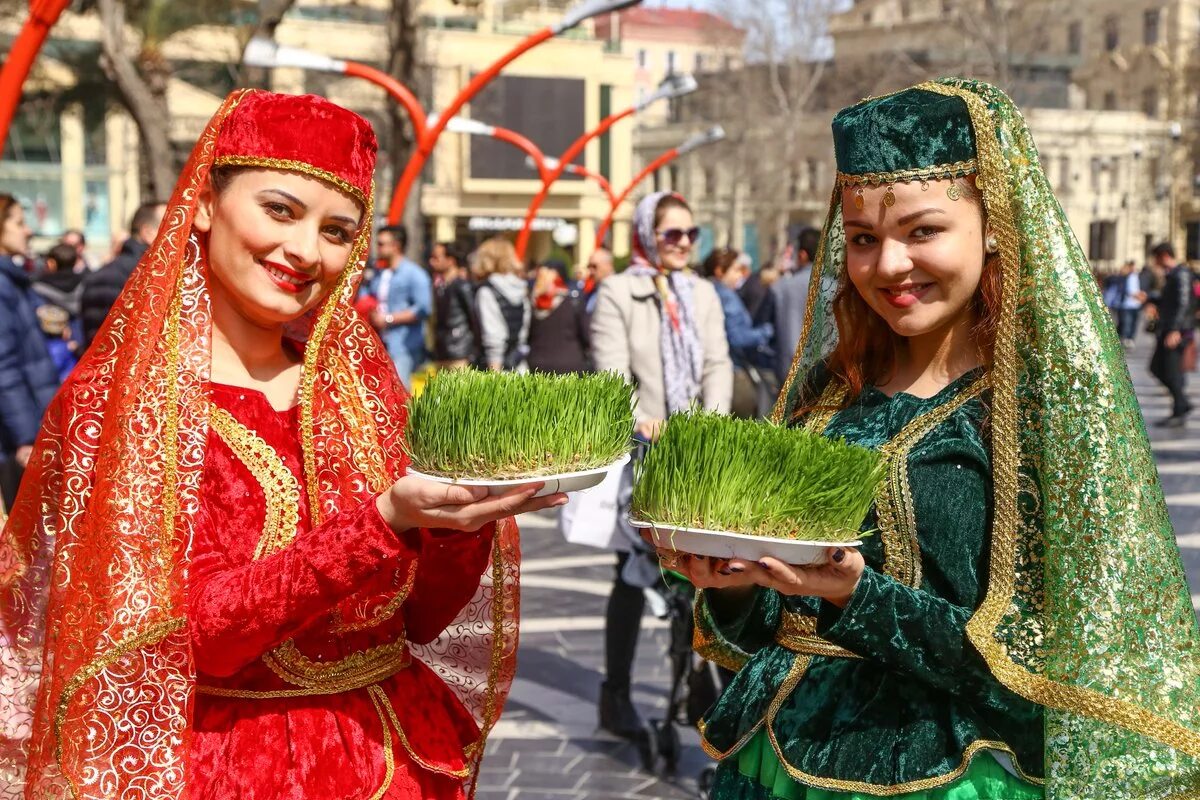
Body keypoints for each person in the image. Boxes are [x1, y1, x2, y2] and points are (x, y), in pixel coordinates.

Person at [0, 91, 566, 799]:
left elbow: (421, 620)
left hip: (393, 756)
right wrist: (383, 521)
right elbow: (200, 635)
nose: (305, 251)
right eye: (279, 210)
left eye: (337, 231)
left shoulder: (362, 391)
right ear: (205, 204)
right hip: (228, 764)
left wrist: (462, 524)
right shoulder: (125, 407)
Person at [656, 79, 1200, 799]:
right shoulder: (827, 393)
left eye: (922, 231)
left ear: (994, 222)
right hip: (775, 762)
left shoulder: (1037, 414)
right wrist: (728, 584)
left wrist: (862, 597)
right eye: (863, 239)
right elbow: (768, 629)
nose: (888, 266)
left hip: (952, 771)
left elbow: (1062, 666)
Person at [590, 191, 732, 743]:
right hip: (643, 453)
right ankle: (616, 694)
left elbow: (718, 363)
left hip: (697, 454)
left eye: (691, 234)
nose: (683, 244)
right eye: (672, 233)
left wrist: (709, 424)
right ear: (648, 235)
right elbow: (611, 374)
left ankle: (701, 686)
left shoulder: (703, 293)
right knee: (632, 574)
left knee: (705, 572)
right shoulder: (617, 292)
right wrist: (642, 420)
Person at [0, 193, 58, 511]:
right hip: (16, 437)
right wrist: (25, 437)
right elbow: (3, 366)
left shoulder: (13, 280)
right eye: (19, 223)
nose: (27, 230)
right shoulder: (2, 284)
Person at [79, 200, 166, 349]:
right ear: (148, 233)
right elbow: (106, 346)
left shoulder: (154, 271)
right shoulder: (127, 275)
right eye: (171, 226)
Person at [702, 247, 776, 417]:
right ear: (720, 271)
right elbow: (737, 337)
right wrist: (767, 331)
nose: (740, 275)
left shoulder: (709, 290)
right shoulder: (725, 295)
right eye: (736, 270)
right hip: (733, 370)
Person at [369, 224, 431, 387]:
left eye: (381, 244)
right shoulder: (378, 273)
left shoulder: (414, 274)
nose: (378, 248)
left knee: (400, 391)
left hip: (403, 346)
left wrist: (389, 319)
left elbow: (423, 308)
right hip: (378, 344)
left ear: (395, 246)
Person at [1149, 241, 1195, 426]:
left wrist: (1176, 329)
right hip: (1168, 329)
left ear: (1164, 256)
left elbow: (1184, 303)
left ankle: (1180, 409)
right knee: (1157, 368)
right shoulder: (1173, 275)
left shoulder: (1181, 274)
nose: (1155, 262)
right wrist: (1149, 299)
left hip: (1176, 331)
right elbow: (1170, 302)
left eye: (1156, 258)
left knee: (1170, 370)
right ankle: (1182, 404)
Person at [474, 236, 530, 372]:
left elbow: (493, 338)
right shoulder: (521, 288)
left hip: (497, 368)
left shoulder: (487, 291)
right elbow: (524, 332)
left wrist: (494, 376)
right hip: (520, 367)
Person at [527, 258, 591, 374]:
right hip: (570, 365)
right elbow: (586, 334)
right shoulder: (573, 300)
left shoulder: (532, 301)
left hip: (537, 365)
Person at [771, 227, 818, 383]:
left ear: (802, 255)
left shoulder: (781, 287)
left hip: (790, 375)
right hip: (832, 375)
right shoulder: (840, 287)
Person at [430, 240, 478, 370]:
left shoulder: (462, 286)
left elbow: (474, 317)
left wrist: (473, 350)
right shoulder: (442, 286)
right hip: (443, 352)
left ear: (450, 260)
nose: (432, 262)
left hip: (460, 352)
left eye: (436, 258)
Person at [583, 246, 616, 314]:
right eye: (589, 266)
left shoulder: (619, 290)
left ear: (608, 265)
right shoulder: (592, 291)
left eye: (594, 266)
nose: (591, 271)